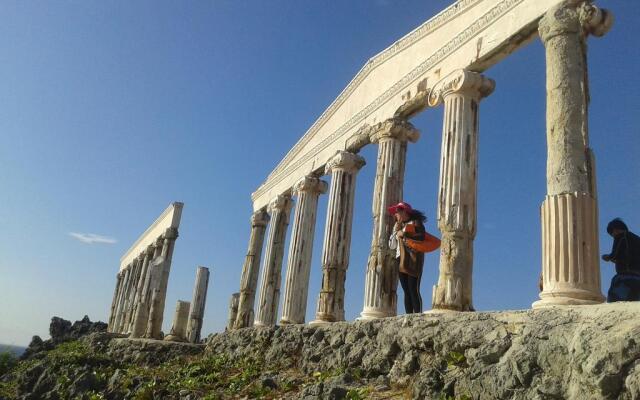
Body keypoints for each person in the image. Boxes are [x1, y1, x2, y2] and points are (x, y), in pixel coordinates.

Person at [388, 201, 428, 314]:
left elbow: (421, 237)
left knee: (413, 288)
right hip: (400, 258)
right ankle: (409, 315)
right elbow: (392, 246)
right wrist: (396, 231)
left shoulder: (415, 222)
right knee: (406, 289)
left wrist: (405, 234)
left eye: (397, 212)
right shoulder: (398, 226)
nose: (395, 214)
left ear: (404, 211)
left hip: (413, 258)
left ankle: (418, 314)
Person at [602, 218, 640, 302]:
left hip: (625, 277)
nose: (613, 236)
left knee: (615, 300)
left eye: (612, 233)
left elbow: (614, 254)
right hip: (638, 276)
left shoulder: (620, 237)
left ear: (615, 230)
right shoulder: (637, 238)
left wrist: (607, 257)